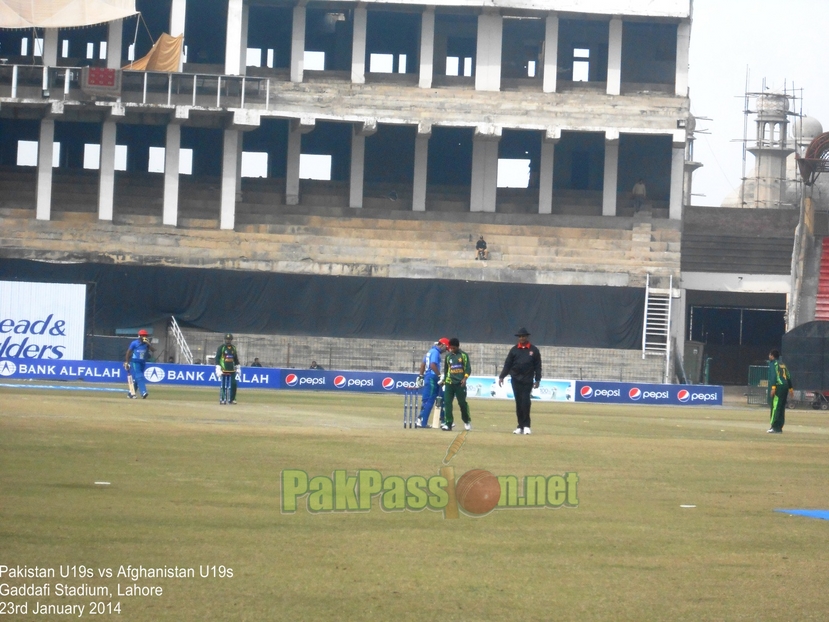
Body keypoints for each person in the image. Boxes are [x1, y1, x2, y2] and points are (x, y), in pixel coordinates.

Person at [498, 327, 542, 435]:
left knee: (525, 402)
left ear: (527, 337)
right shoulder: (514, 350)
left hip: (527, 380)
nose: (521, 338)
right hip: (515, 380)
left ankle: (526, 426)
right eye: (520, 336)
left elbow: (538, 366)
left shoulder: (534, 350)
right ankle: (520, 426)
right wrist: (502, 376)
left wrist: (537, 380)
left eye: (523, 336)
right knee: (518, 403)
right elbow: (507, 364)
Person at [416, 338, 449, 428]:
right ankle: (422, 421)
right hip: (432, 377)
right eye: (446, 348)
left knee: (440, 397)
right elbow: (432, 365)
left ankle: (443, 420)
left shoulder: (430, 351)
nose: (445, 351)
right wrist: (439, 375)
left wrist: (421, 376)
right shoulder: (435, 352)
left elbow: (423, 364)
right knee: (429, 399)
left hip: (428, 376)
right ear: (442, 345)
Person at [441, 337, 472, 431]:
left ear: (458, 347)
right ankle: (448, 423)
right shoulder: (448, 356)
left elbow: (468, 368)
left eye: (454, 348)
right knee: (447, 403)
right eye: (451, 348)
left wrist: (465, 378)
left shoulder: (463, 355)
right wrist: (444, 380)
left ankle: (466, 421)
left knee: (462, 403)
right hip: (449, 383)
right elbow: (446, 370)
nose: (452, 350)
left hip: (460, 383)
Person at [767, 349, 793, 434]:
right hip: (785, 386)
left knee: (775, 407)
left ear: (772, 356)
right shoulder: (782, 364)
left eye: (769, 355)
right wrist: (791, 388)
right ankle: (779, 428)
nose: (769, 356)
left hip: (778, 387)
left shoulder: (773, 364)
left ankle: (774, 427)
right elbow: (788, 376)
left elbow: (774, 376)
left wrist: (773, 388)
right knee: (781, 408)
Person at [124, 329, 155, 399]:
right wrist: (127, 362)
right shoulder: (134, 343)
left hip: (142, 362)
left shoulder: (146, 343)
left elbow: (153, 350)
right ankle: (143, 392)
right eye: (143, 335)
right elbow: (128, 352)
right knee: (139, 376)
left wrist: (148, 344)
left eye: (145, 335)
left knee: (137, 378)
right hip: (135, 361)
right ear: (139, 336)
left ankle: (130, 393)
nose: (144, 337)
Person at [216, 333, 240, 405]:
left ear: (231, 340)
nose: (228, 340)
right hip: (223, 369)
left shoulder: (233, 348)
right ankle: (223, 399)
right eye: (227, 339)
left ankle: (232, 399)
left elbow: (235, 359)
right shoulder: (221, 347)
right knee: (224, 385)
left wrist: (238, 367)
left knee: (233, 384)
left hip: (232, 369)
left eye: (229, 339)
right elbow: (217, 358)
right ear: (225, 339)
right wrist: (218, 367)